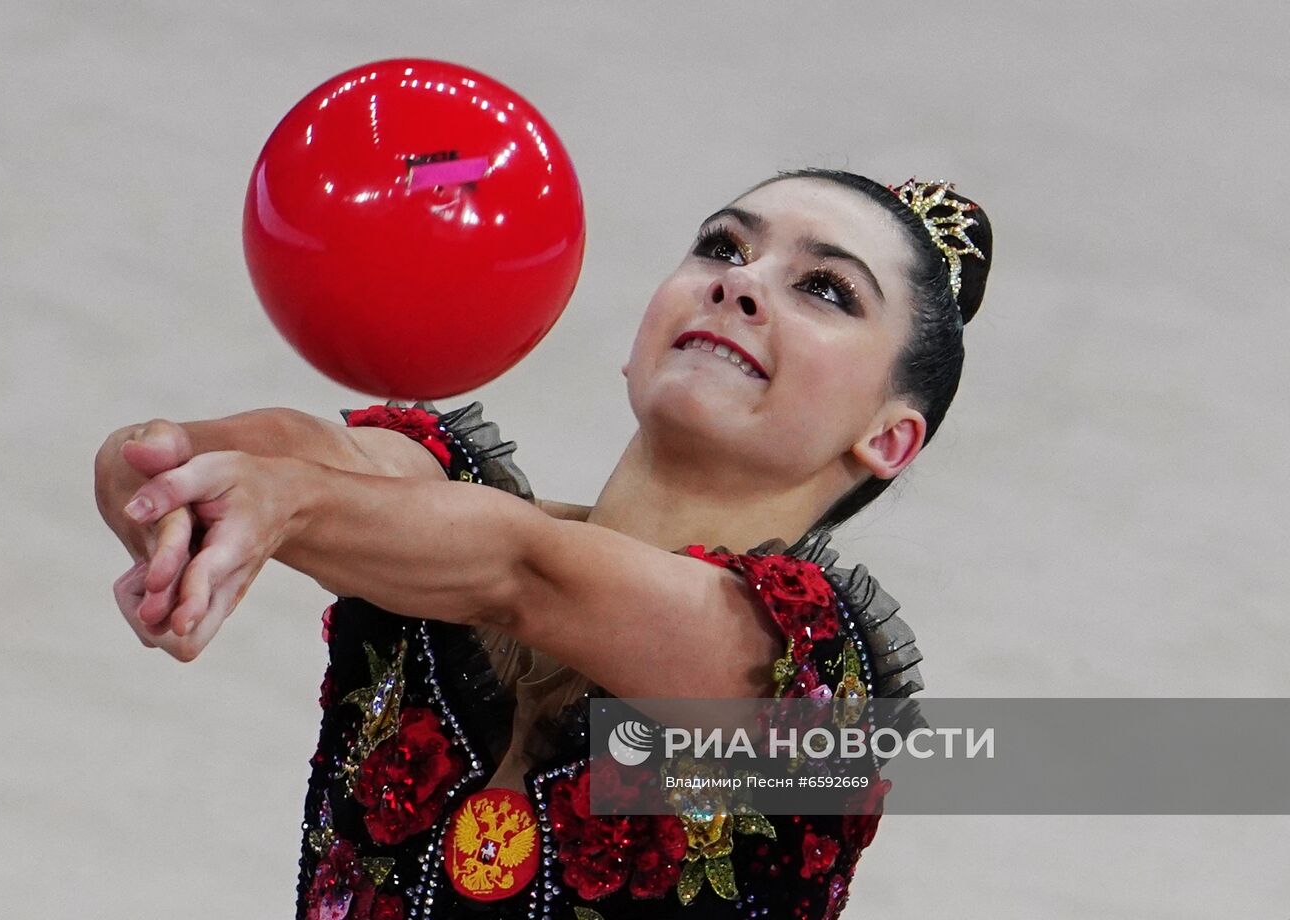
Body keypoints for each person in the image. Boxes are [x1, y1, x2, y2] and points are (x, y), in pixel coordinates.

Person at [94, 169, 993, 919]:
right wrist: (171, 492)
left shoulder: (799, 668)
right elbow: (177, 457)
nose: (740, 282)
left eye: (825, 290)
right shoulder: (435, 505)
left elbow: (519, 572)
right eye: (723, 246)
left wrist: (285, 505)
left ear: (888, 439)